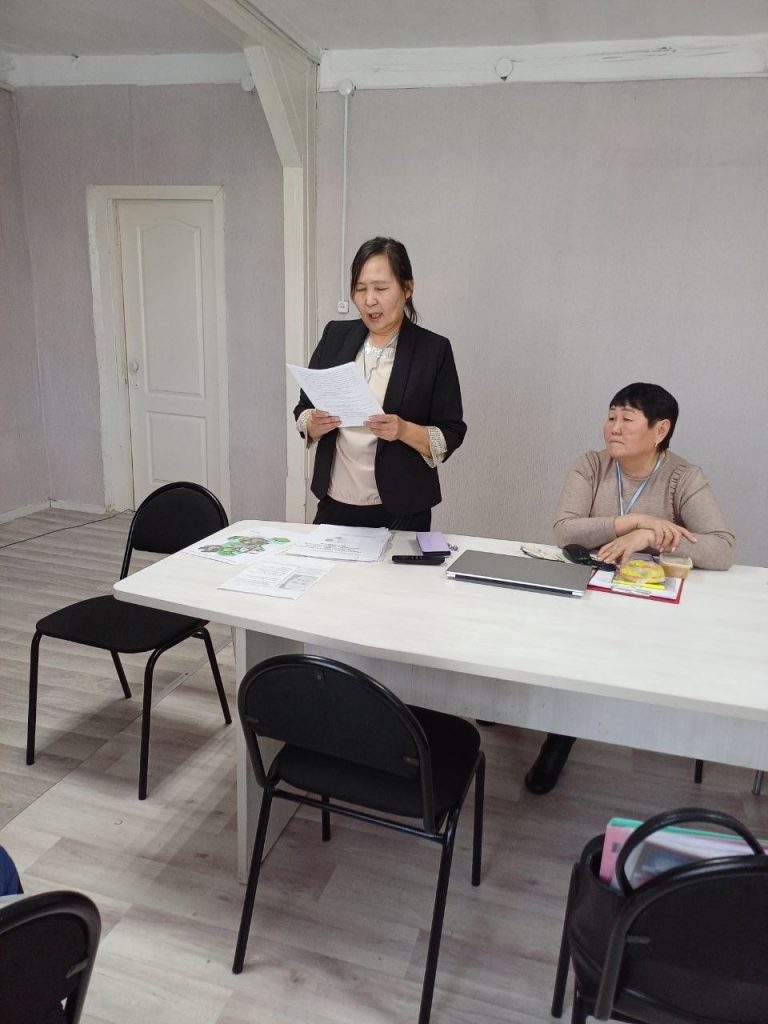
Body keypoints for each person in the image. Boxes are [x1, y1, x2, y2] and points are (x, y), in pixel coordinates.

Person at [525, 382, 735, 795]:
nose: (614, 428)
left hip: (651, 607)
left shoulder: (683, 477)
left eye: (626, 419)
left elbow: (722, 548)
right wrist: (634, 522)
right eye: (610, 417)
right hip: (590, 596)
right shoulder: (591, 465)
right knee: (564, 647)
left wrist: (651, 538)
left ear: (660, 430)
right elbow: (565, 530)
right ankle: (559, 737)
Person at [294, 237, 466, 530]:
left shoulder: (433, 350)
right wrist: (313, 423)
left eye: (381, 288)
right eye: (360, 289)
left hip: (403, 510)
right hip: (335, 502)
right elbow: (304, 408)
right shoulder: (335, 336)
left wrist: (403, 430)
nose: (369, 300)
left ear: (407, 288)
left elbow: (451, 431)